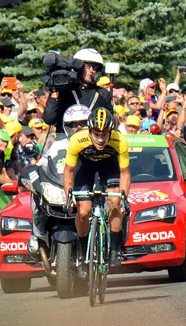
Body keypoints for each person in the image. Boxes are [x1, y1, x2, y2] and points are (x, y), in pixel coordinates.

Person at [63, 107, 130, 268]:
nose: (100, 139)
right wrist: (69, 199)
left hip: (109, 165)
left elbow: (125, 173)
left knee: (115, 202)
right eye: (96, 135)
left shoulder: (119, 140)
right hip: (85, 167)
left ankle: (114, 249)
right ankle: (83, 250)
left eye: (104, 134)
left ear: (110, 132)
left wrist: (124, 199)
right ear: (89, 131)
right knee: (84, 210)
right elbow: (68, 171)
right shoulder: (77, 140)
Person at [43, 48, 113, 131]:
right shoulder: (64, 90)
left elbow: (110, 123)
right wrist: (55, 90)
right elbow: (49, 119)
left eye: (95, 68)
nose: (91, 71)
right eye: (87, 66)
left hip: (92, 141)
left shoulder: (103, 93)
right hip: (65, 140)